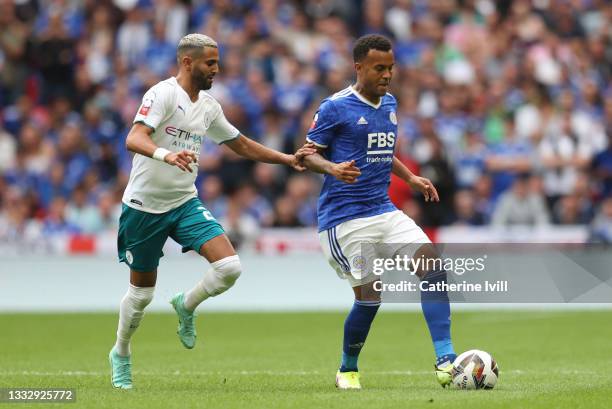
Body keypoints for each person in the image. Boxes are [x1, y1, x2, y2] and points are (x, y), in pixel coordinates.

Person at [109, 33, 315, 390]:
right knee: (141, 296)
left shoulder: (209, 106)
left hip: (184, 202)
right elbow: (135, 137)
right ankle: (121, 353)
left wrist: (286, 159)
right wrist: (166, 154)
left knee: (229, 267)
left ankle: (186, 305)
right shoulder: (162, 94)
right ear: (188, 62)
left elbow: (240, 144)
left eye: (217, 62)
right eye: (210, 63)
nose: (216, 70)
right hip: (143, 207)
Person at [301, 34, 456, 389]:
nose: (387, 75)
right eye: (379, 68)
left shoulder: (389, 103)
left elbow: (382, 151)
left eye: (390, 67)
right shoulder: (335, 107)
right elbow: (306, 154)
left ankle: (446, 359)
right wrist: (332, 168)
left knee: (432, 268)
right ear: (359, 67)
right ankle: (347, 368)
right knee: (370, 298)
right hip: (344, 220)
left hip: (383, 210)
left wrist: (410, 176)